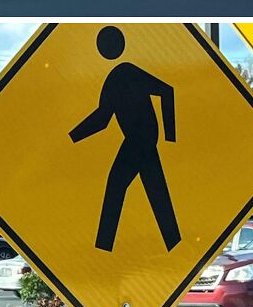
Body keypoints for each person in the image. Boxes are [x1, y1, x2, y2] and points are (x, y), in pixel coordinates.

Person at [70, 26, 181, 253]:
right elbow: (103, 118)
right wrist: (72, 137)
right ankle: (174, 243)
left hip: (142, 139)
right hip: (138, 140)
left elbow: (167, 91)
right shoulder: (114, 79)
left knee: (117, 187)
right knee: (155, 192)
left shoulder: (126, 72)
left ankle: (103, 247)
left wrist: (171, 136)